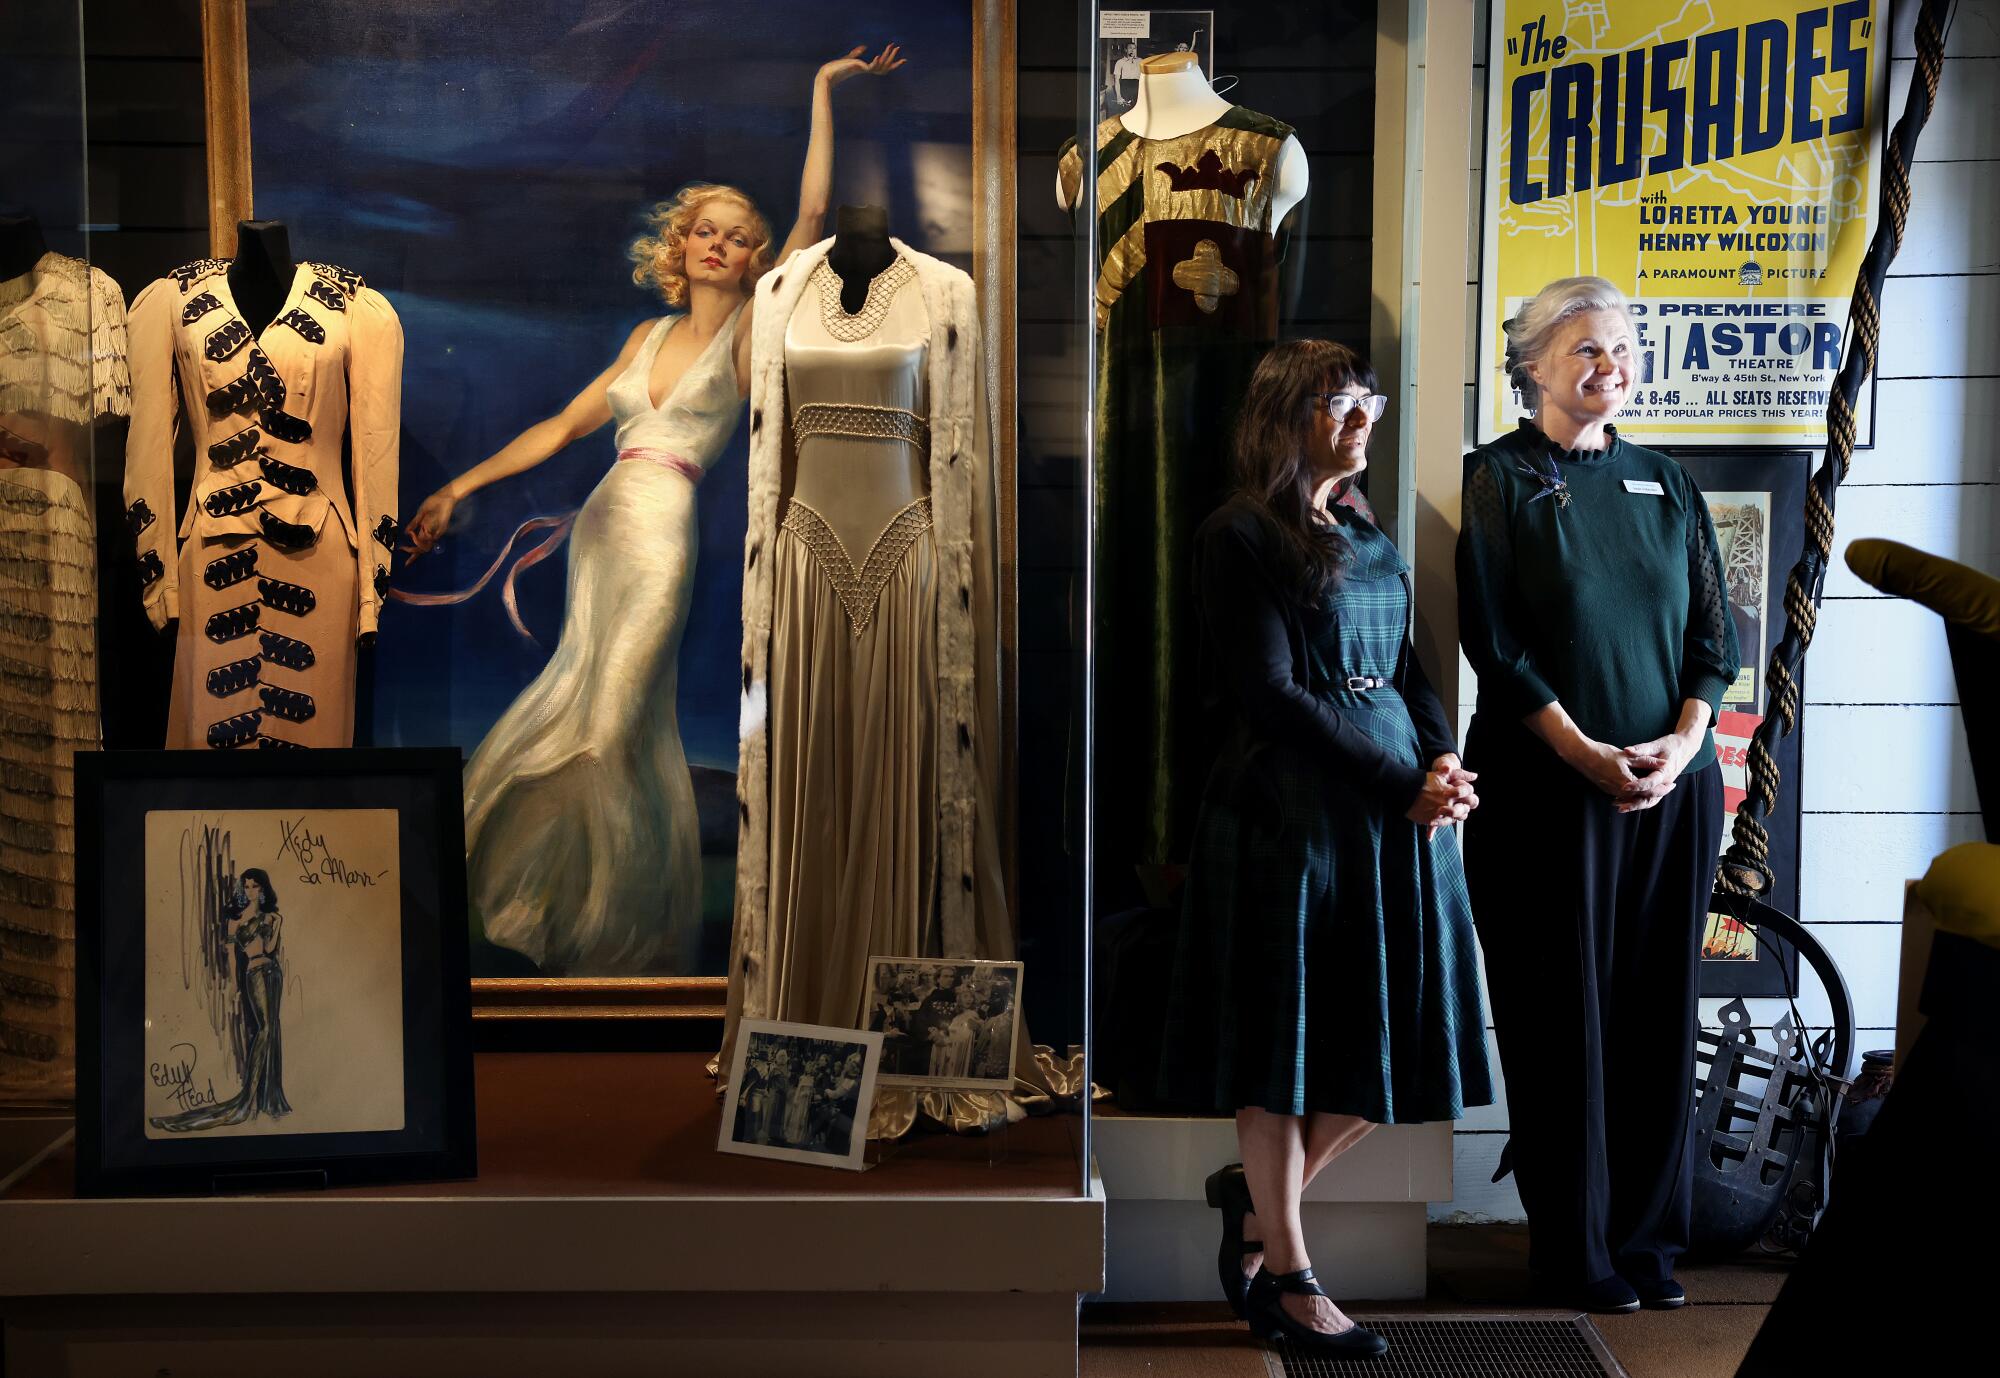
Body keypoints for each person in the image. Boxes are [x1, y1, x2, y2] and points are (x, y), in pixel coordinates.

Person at [397, 45, 905, 978]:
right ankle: (543, 910)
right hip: (600, 530)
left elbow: (813, 213)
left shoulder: (758, 323)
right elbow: (558, 429)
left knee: (615, 716)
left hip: (664, 533)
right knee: (586, 698)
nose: (718, 244)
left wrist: (822, 85)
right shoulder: (646, 335)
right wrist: (457, 487)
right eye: (704, 231)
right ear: (682, 246)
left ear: (758, 260)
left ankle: (591, 919)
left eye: (737, 236)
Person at [1158, 340, 1492, 1358]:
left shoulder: (1358, 518)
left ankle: (1261, 1206)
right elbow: (1270, 694)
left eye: (1366, 405)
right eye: (1336, 405)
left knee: (1395, 1036)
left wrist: (1442, 760)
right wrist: (1402, 783)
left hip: (1398, 810)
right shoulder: (1238, 536)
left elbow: (1409, 664)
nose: (1359, 422)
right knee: (1281, 1044)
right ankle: (1290, 1275)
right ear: (1281, 416)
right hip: (1290, 816)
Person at [1457, 276, 1739, 1315]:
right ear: (1528, 362)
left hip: (1672, 790)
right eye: (1584, 348)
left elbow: (1714, 642)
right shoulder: (1494, 479)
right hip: (1546, 795)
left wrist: (1676, 745)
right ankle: (1570, 1253)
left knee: (1655, 1020)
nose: (1609, 365)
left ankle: (1646, 1245)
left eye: (1621, 347)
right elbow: (1495, 643)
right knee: (1556, 1020)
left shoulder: (1665, 483)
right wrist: (1584, 755)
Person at [151, 869, 293, 1132]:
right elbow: (230, 955)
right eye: (247, 886)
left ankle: (268, 1097)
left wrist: (279, 923)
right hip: (254, 974)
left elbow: (271, 949)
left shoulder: (270, 917)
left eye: (255, 886)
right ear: (243, 890)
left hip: (273, 974)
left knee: (271, 1030)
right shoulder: (235, 920)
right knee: (265, 1029)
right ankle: (249, 1098)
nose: (251, 891)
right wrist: (235, 987)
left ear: (263, 890)